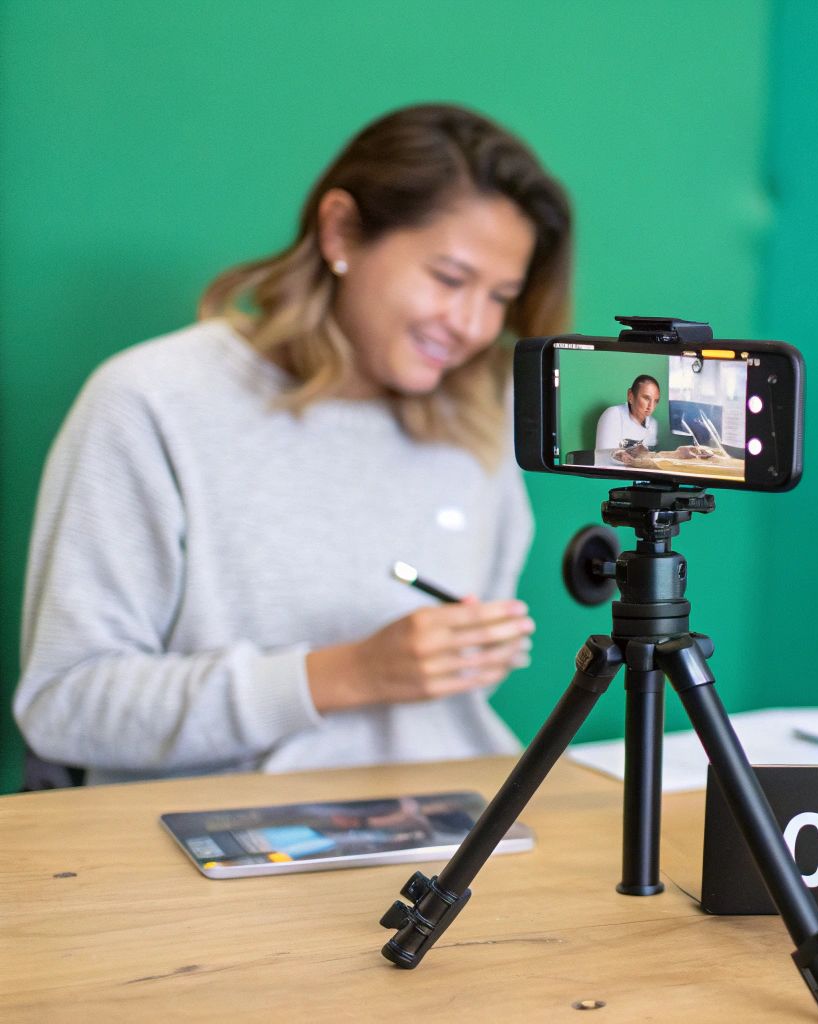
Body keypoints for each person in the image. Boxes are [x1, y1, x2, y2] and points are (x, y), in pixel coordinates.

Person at [13, 104, 573, 784]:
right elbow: (64, 704)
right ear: (341, 231)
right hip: (215, 843)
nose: (472, 327)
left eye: (501, 298)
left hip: (455, 826)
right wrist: (342, 675)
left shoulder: (481, 420)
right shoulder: (152, 402)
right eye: (449, 279)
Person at [596, 374, 661, 451]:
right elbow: (604, 457)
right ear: (630, 395)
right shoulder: (613, 415)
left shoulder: (653, 424)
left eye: (656, 401)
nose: (651, 406)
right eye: (646, 398)